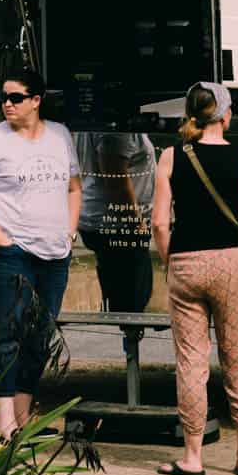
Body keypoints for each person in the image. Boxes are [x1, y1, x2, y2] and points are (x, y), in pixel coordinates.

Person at [149, 81, 238, 475]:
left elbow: (160, 222)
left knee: (191, 362)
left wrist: (171, 260)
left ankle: (193, 457)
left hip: (185, 261)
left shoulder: (170, 157)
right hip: (231, 262)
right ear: (227, 115)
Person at [0, 68, 82, 440]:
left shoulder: (60, 136)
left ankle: (25, 420)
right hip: (10, 254)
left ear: (36, 100)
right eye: (3, 99)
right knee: (6, 335)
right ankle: (4, 424)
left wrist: (69, 230)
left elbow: (74, 187)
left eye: (15, 98)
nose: (6, 105)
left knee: (40, 335)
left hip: (53, 254)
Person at [75, 131, 156, 354]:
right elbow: (115, 177)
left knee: (130, 301)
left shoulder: (106, 122)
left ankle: (131, 352)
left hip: (107, 220)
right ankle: (131, 368)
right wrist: (136, 224)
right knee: (133, 304)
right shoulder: (116, 130)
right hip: (116, 223)